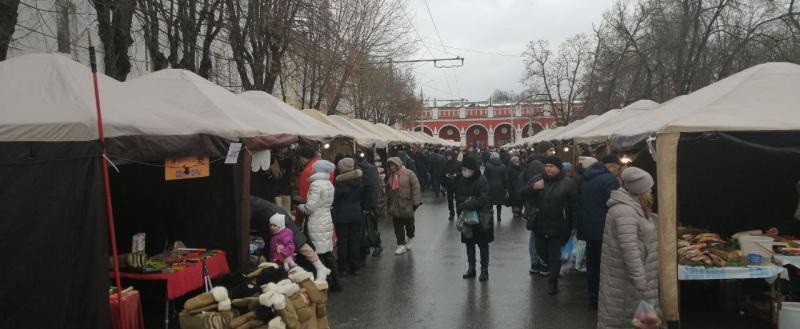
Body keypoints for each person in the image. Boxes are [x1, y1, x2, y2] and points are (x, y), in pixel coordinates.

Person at [597, 167, 658, 329]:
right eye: (648, 188)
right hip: (628, 282)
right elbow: (630, 249)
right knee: (628, 320)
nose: (651, 190)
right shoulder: (625, 211)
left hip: (631, 279)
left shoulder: (631, 207)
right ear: (640, 190)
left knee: (637, 321)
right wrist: (640, 282)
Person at [521, 156, 581, 295]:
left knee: (554, 254)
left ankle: (553, 281)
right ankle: (553, 268)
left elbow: (575, 206)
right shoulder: (537, 179)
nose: (548, 168)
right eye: (546, 166)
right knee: (542, 251)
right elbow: (522, 194)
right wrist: (532, 188)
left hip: (560, 226)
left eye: (551, 166)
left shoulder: (568, 183)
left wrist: (574, 225)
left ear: (558, 168)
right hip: (540, 224)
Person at [250, 196, 330, 281]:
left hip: (273, 218)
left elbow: (310, 207)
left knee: (298, 242)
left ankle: (320, 268)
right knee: (297, 241)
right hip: (273, 216)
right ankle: (319, 268)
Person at [578, 157, 620, 310]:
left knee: (593, 263)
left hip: (589, 228)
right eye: (618, 168)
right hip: (605, 228)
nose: (619, 171)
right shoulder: (610, 180)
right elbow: (614, 205)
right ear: (611, 166)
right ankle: (605, 296)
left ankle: (593, 295)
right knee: (607, 264)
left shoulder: (587, 178)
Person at [297, 160, 338, 287]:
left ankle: (322, 282)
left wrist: (300, 206)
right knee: (327, 251)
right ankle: (336, 281)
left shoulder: (316, 185)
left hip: (316, 221)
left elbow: (310, 207)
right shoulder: (329, 184)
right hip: (326, 219)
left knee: (316, 252)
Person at [455, 156, 493, 281]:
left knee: (482, 244)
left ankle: (484, 270)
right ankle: (471, 268)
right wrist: (467, 202)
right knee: (469, 243)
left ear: (472, 169)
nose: (464, 171)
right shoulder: (461, 180)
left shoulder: (482, 180)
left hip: (481, 216)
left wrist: (466, 203)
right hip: (466, 217)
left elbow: (483, 199)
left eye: (466, 169)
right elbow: (458, 197)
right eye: (463, 168)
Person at [333, 157, 364, 276]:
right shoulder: (359, 180)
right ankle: (355, 266)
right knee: (354, 240)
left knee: (343, 241)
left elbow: (335, 199)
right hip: (356, 213)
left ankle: (343, 267)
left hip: (342, 214)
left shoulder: (339, 182)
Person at [385, 157, 422, 255]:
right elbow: (389, 190)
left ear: (398, 164)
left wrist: (415, 203)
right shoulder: (391, 175)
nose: (391, 167)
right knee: (397, 225)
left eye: (393, 165)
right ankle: (400, 245)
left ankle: (410, 238)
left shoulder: (409, 173)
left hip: (407, 204)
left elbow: (416, 187)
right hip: (395, 204)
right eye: (390, 165)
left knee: (409, 224)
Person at [518, 152, 546, 275]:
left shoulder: (529, 170)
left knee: (535, 237)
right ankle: (540, 263)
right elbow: (524, 192)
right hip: (536, 211)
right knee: (538, 238)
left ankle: (536, 263)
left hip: (532, 210)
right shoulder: (537, 176)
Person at [295, 146, 332, 225]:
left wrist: (298, 219)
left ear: (302, 158)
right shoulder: (327, 168)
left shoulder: (307, 172)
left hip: (312, 216)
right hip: (326, 211)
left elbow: (304, 198)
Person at [358, 155, 383, 257]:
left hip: (368, 205)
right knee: (369, 228)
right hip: (370, 204)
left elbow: (370, 189)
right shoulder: (371, 168)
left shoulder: (365, 170)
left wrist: (368, 207)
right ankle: (367, 246)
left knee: (370, 228)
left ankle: (377, 246)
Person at [484, 152, 508, 221]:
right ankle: (498, 216)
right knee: (499, 202)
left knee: (490, 202)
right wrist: (506, 187)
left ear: (491, 157)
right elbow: (506, 178)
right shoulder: (503, 166)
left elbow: (485, 177)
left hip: (490, 186)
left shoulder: (487, 165)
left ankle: (491, 214)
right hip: (500, 186)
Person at [442, 151, 462, 221]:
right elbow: (443, 172)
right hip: (449, 184)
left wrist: (456, 174)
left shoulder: (458, 163)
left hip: (457, 184)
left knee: (458, 200)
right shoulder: (445, 164)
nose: (448, 157)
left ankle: (459, 213)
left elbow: (462, 172)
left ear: (452, 156)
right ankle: (451, 213)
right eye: (447, 156)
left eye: (449, 156)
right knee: (450, 200)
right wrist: (446, 174)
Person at [506, 156, 525, 220]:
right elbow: (508, 180)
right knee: (514, 201)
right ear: (513, 162)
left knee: (521, 200)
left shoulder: (522, 168)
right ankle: (515, 212)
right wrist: (509, 189)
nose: (518, 162)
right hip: (513, 187)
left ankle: (519, 211)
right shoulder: (509, 169)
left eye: (518, 161)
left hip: (521, 186)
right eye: (516, 161)